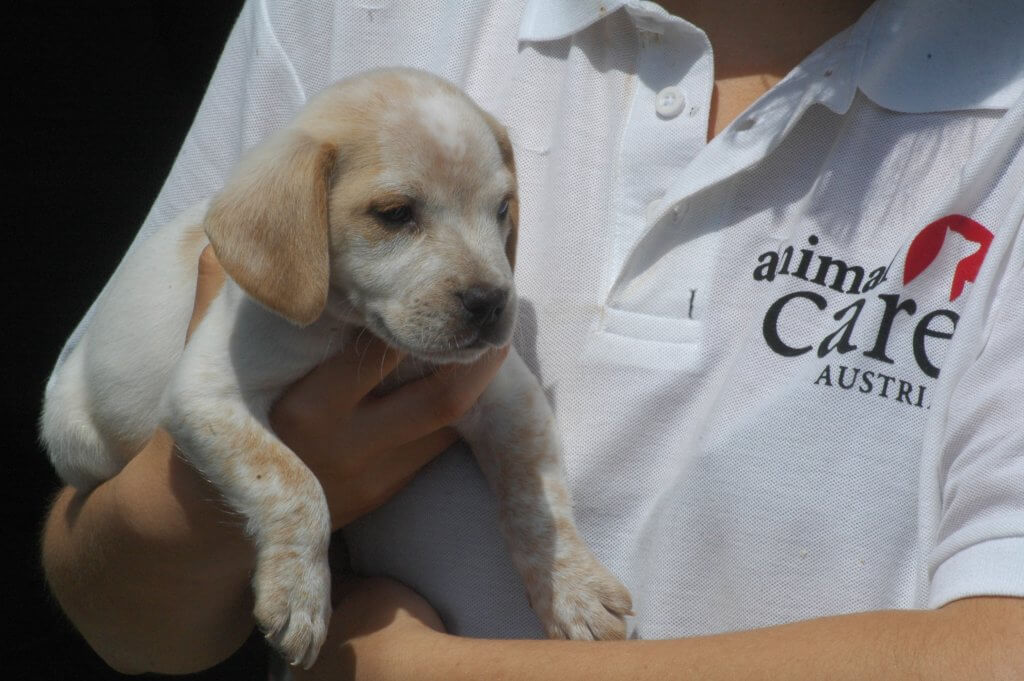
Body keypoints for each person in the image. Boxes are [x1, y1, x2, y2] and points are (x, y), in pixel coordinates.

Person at [41, 0, 1024, 679]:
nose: (486, 277)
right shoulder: (346, 20)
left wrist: (420, 671)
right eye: (394, 215)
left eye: (501, 213)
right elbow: (118, 616)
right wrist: (252, 509)